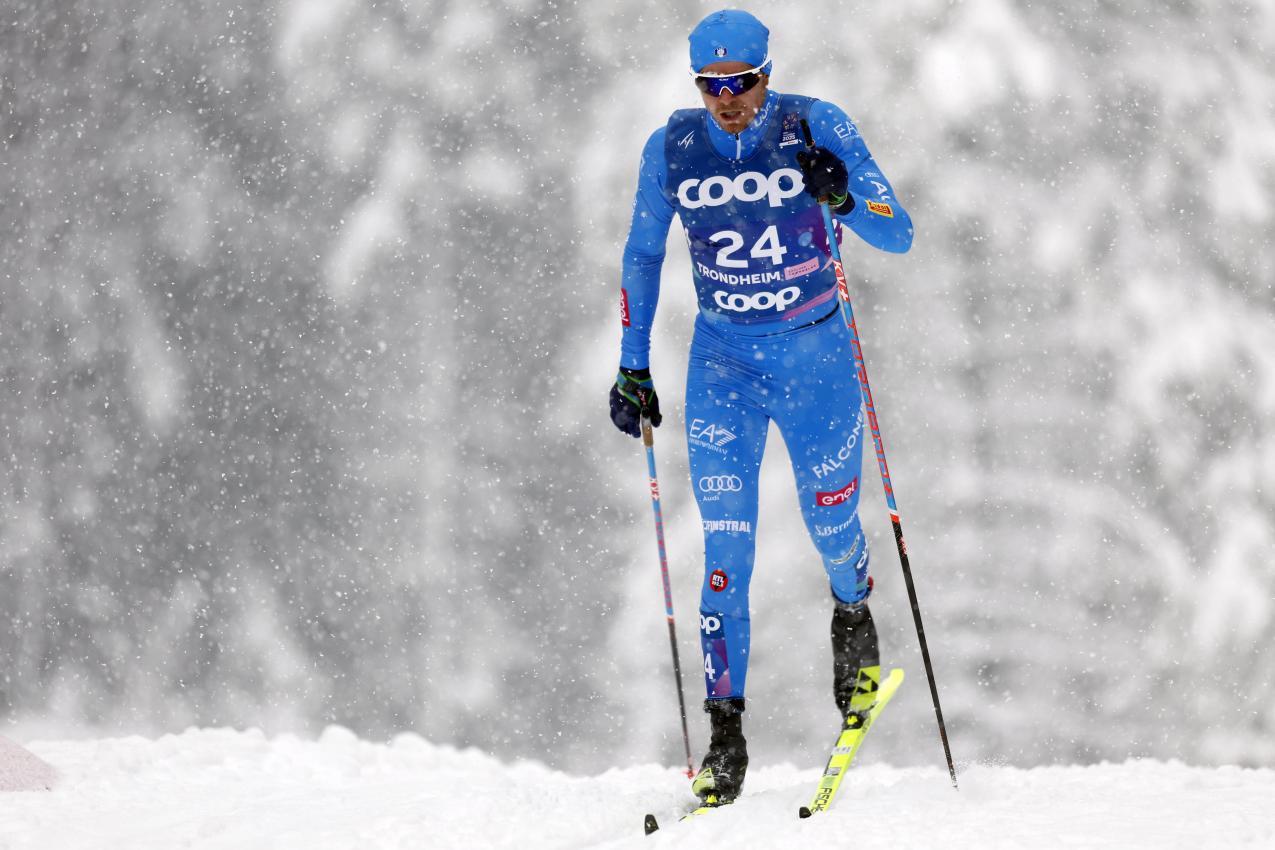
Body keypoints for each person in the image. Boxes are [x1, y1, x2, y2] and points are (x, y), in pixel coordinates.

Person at [609, 9, 913, 807]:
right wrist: (631, 368)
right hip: (724, 367)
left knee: (830, 523)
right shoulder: (671, 147)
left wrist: (840, 196)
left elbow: (899, 232)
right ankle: (724, 737)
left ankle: (854, 619)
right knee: (725, 548)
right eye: (710, 86)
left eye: (740, 83)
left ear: (766, 75)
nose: (727, 100)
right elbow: (643, 253)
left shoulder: (814, 123)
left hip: (815, 358)